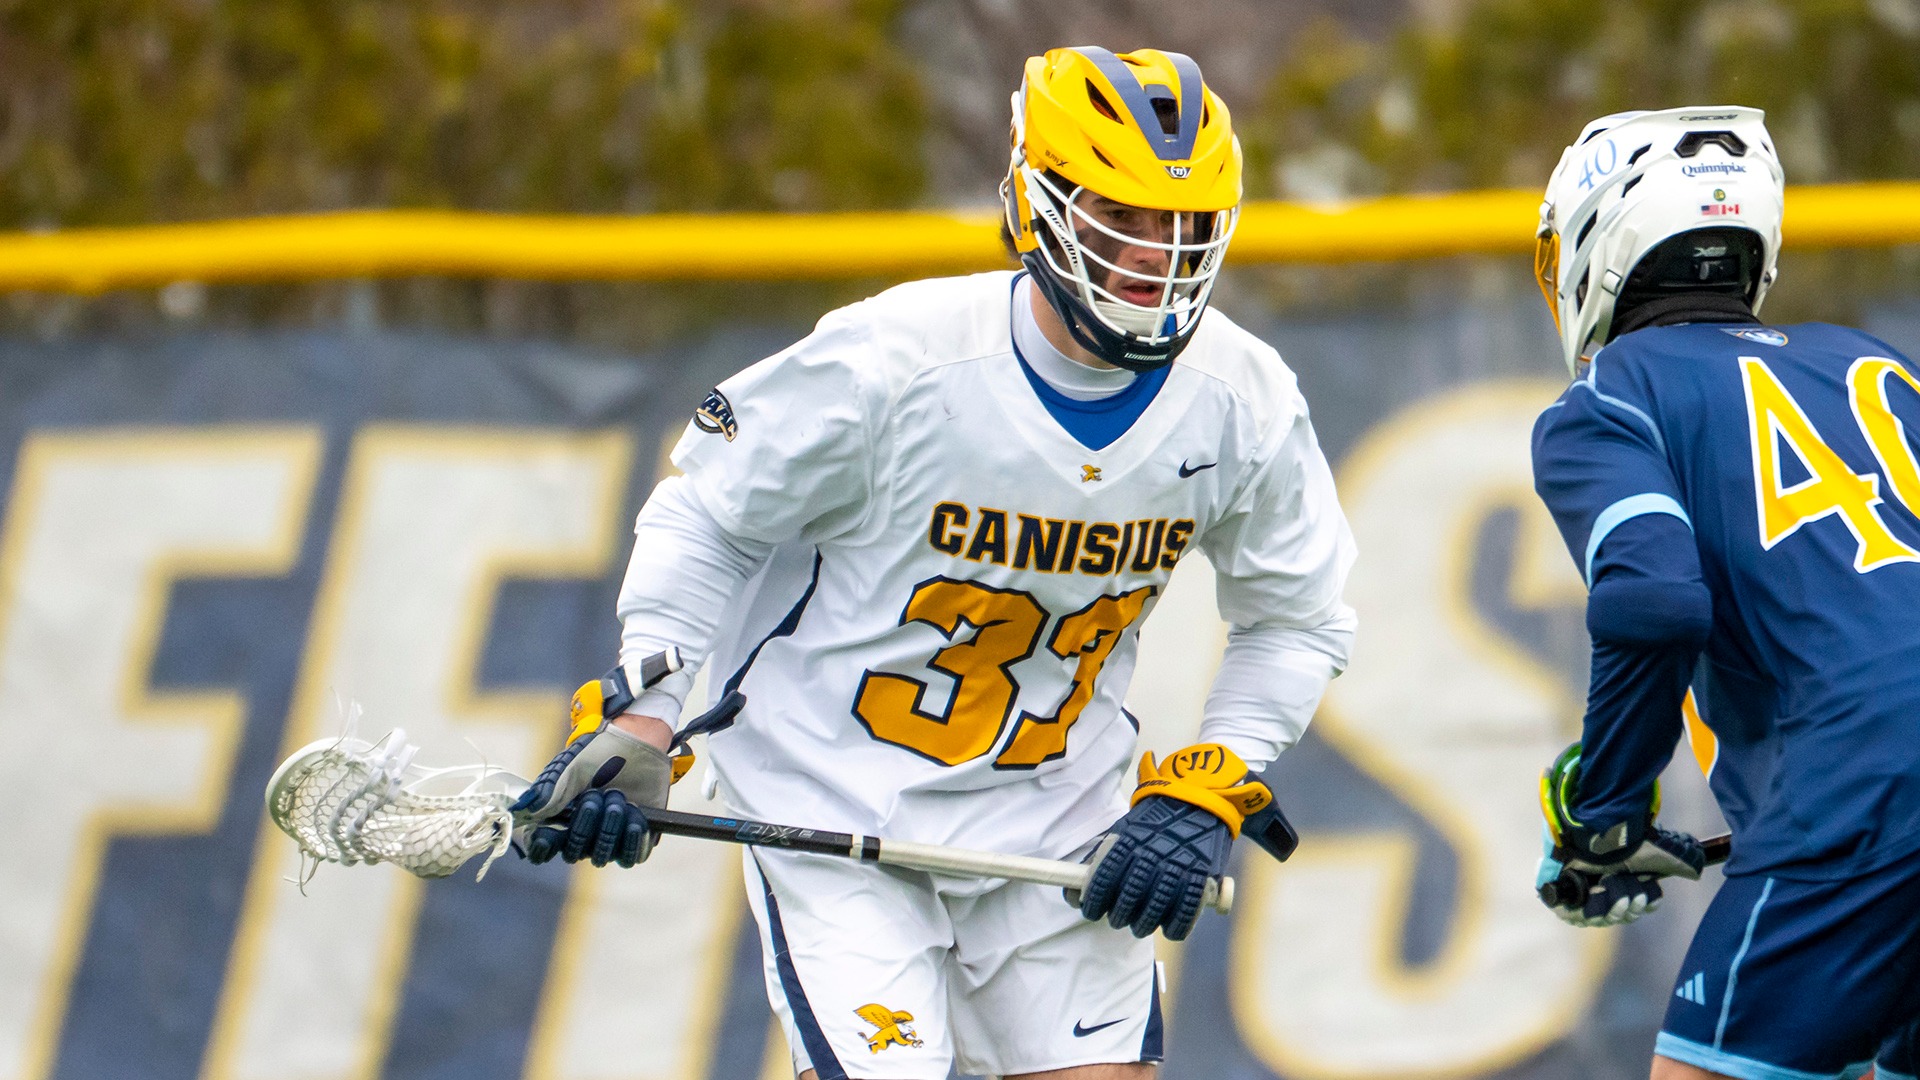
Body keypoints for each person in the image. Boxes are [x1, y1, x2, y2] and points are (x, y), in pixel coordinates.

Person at [508, 45, 1355, 1080]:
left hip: (1058, 813)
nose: (1154, 254)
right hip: (835, 802)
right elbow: (710, 515)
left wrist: (1212, 778)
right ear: (1037, 205)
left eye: (1182, 224)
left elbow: (1297, 614)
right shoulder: (895, 359)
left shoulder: (1244, 395)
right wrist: (649, 709)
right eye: (1122, 217)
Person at [1529, 105, 1920, 1080]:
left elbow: (1653, 599)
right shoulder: (1881, 367)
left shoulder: (1611, 394)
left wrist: (1607, 808)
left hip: (1859, 807)